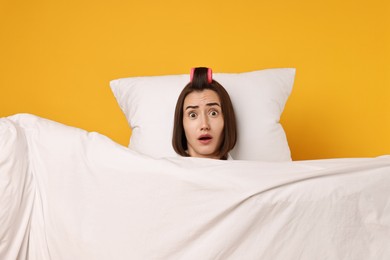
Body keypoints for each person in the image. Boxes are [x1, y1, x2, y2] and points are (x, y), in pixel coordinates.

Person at [172, 67, 237, 160]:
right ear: (181, 124)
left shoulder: (247, 173)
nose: (204, 125)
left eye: (213, 113)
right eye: (192, 115)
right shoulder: (162, 172)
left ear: (227, 120)